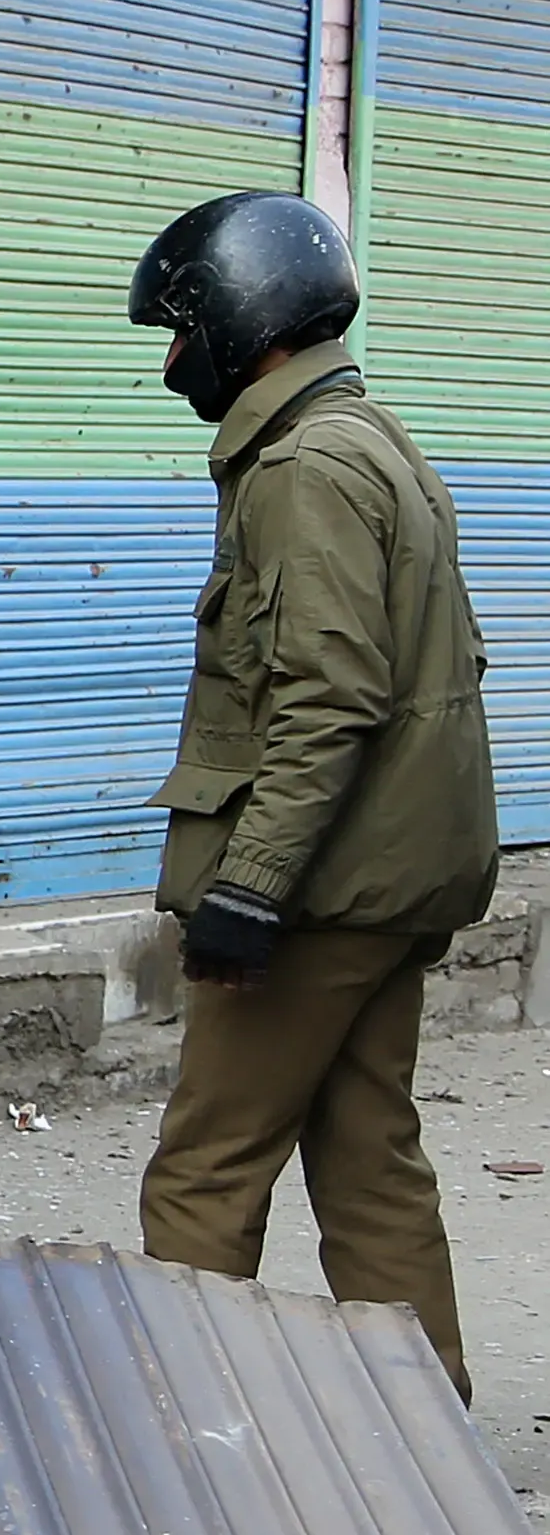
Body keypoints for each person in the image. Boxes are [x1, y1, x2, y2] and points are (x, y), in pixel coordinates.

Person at [126, 189, 496, 1394]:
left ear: (249, 319)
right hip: (385, 878)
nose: (176, 359)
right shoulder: (368, 435)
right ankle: (425, 1443)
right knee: (369, 1156)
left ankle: (192, 1443)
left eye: (184, 329)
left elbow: (330, 696)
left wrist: (252, 890)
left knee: (206, 1169)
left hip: (323, 892)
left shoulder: (305, 467)